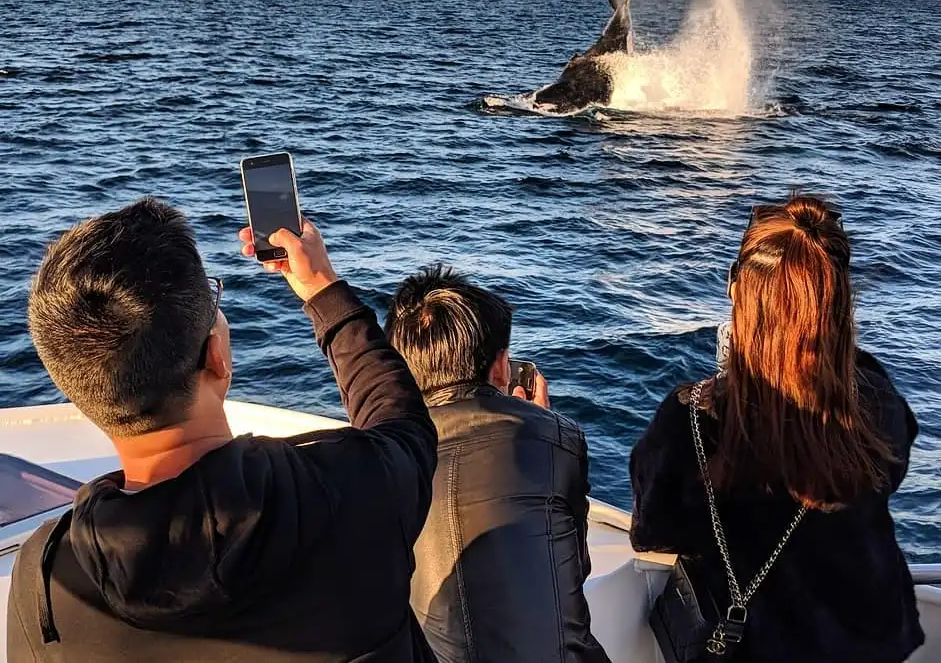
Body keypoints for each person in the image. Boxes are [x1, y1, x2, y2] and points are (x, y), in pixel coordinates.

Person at [8, 197, 438, 662]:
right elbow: (402, 420)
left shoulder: (44, 576)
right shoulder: (353, 485)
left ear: (77, 387)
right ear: (216, 356)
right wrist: (320, 288)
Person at [630, 195, 924, 663]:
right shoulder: (876, 398)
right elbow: (892, 469)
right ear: (839, 297)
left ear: (737, 292)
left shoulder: (692, 417)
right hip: (871, 643)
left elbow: (652, 531)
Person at [385, 264, 611, 663]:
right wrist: (542, 429)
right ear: (501, 366)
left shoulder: (381, 456)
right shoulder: (561, 438)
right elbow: (575, 567)